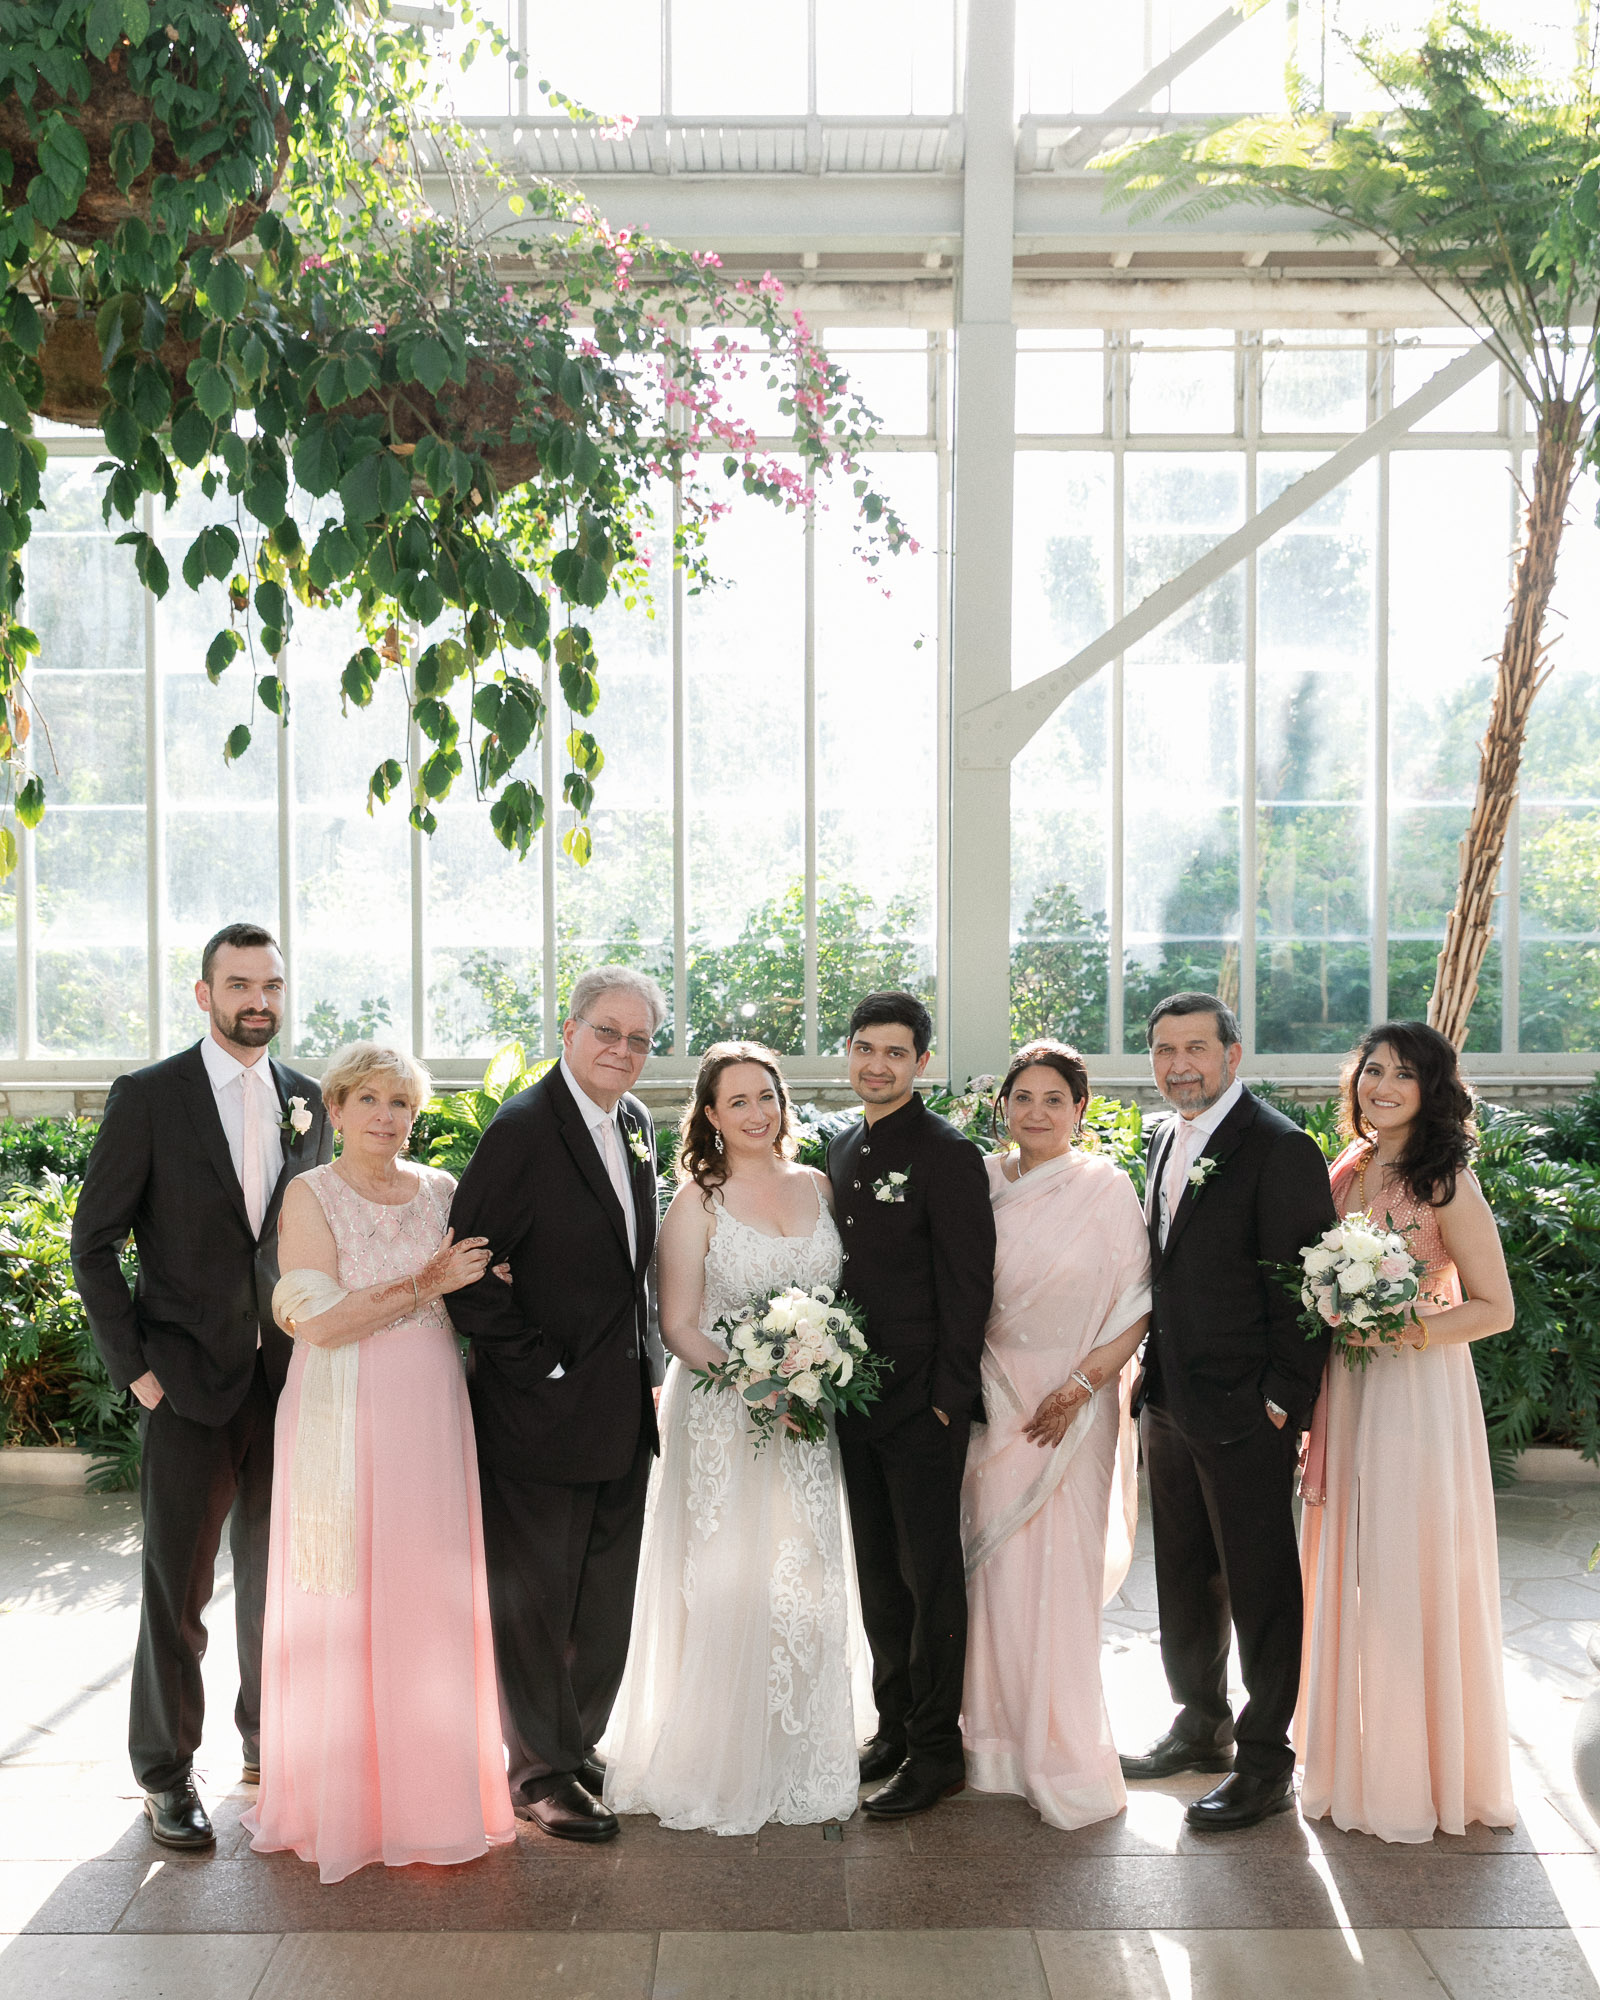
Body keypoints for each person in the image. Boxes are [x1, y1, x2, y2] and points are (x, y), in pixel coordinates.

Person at [69, 923, 333, 1850]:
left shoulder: (308, 1099)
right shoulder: (149, 1098)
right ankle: (167, 1774)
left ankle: (269, 1748)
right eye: (239, 984)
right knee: (176, 1589)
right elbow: (92, 1243)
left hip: (290, 1378)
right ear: (203, 993)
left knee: (280, 1579)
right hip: (183, 1384)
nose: (258, 1000)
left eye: (271, 983)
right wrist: (135, 1372)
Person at [241, 1044, 514, 1882]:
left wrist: (492, 1279)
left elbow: (482, 1287)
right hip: (346, 1408)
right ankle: (346, 1804)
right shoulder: (310, 1193)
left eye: (401, 1102)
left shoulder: (442, 1190)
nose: (386, 1116)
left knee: (426, 1591)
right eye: (369, 1099)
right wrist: (431, 1278)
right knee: (351, 1589)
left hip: (432, 1407)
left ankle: (433, 1798)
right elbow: (318, 1323)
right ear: (336, 1107)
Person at [604, 1042, 863, 1833]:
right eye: (739, 1101)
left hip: (807, 1414)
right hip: (725, 1411)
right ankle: (718, 1752)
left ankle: (796, 1747)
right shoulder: (698, 1201)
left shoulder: (819, 1184)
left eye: (768, 1097)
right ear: (710, 1116)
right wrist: (756, 1383)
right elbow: (678, 1323)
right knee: (728, 1572)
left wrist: (817, 1365)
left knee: (802, 1568)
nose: (758, 1113)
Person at [445, 966, 665, 1843]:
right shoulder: (524, 1129)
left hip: (621, 1408)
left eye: (640, 1039)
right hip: (540, 1414)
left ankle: (572, 1742)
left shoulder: (638, 1123)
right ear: (568, 1031)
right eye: (607, 1032)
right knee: (536, 1602)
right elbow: (467, 1271)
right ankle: (538, 1772)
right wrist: (545, 1371)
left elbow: (629, 1268)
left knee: (602, 1598)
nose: (622, 1051)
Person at [1119, 992, 1336, 1831]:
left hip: (1248, 1408)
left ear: (1233, 1054)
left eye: (1197, 1048)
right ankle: (1199, 1724)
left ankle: (1265, 1760)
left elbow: (1306, 1289)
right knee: (1184, 1574)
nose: (1180, 1064)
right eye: (1165, 1049)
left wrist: (1284, 1399)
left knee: (1260, 1585)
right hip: (1170, 1397)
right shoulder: (1165, 1137)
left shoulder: (1280, 1148)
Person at [1296, 1021, 1516, 1843]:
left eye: (1403, 1075)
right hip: (1347, 1391)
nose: (1381, 1087)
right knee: (1351, 1567)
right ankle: (1356, 1756)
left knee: (1403, 1566)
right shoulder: (1346, 1167)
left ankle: (1417, 1773)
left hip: (1417, 1391)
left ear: (1433, 1090)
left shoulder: (1444, 1179)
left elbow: (1496, 1307)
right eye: (1372, 1071)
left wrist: (1404, 1331)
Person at [960, 1041, 1151, 1830]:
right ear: (1002, 1103)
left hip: (1074, 1411)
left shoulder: (1104, 1189)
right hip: (991, 1402)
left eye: (1053, 1099)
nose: (1036, 1111)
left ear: (1080, 1109)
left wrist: (1078, 1388)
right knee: (994, 1575)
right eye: (1023, 1097)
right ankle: (992, 1746)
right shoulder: (976, 1182)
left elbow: (1138, 1301)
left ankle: (1062, 1748)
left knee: (1059, 1578)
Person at [828, 991, 996, 1820]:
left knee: (931, 1581)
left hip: (920, 1405)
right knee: (877, 1575)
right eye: (865, 1048)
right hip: (847, 1402)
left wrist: (946, 1402)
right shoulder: (838, 1146)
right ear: (849, 1050)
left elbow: (970, 1287)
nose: (878, 1065)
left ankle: (937, 1752)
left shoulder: (946, 1153)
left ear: (920, 1062)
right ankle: (893, 1725)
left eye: (896, 1053)